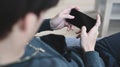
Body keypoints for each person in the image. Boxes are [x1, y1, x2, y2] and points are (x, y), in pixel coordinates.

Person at [0, 0, 119, 67]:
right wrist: (89, 49)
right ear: (28, 21)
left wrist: (50, 24)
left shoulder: (8, 43)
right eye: (41, 14)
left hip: (82, 52)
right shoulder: (52, 64)